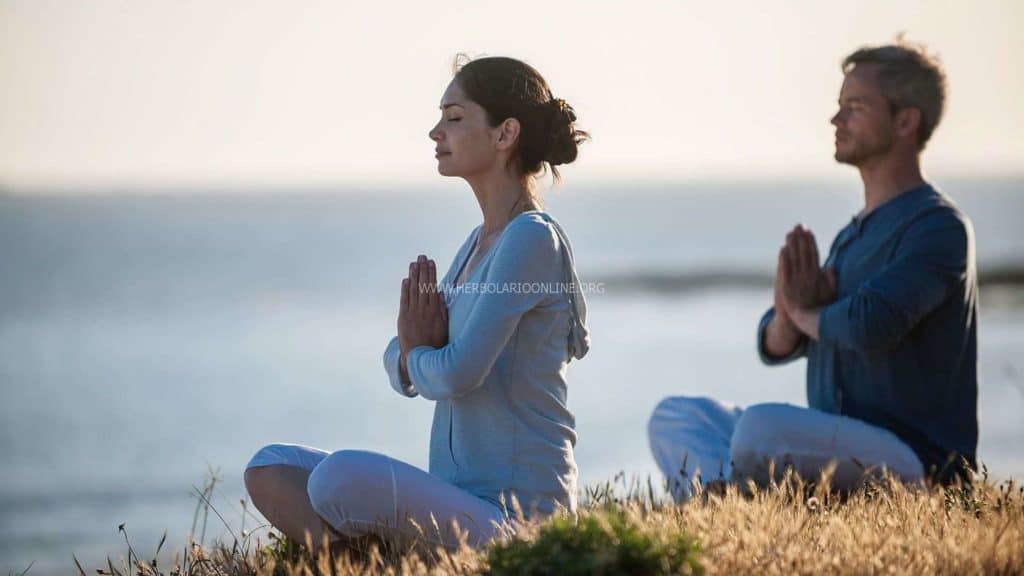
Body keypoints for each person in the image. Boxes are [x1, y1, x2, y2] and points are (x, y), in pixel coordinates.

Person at [243, 55, 591, 554]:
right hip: (460, 503)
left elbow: (455, 374)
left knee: (338, 477)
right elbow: (404, 355)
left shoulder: (532, 240)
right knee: (270, 466)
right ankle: (358, 563)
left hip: (521, 525)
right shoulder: (478, 243)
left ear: (504, 133)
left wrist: (415, 354)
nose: (435, 131)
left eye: (454, 117)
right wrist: (414, 355)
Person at [649, 41, 978, 500]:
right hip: (836, 446)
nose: (835, 120)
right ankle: (722, 503)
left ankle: (735, 500)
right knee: (676, 417)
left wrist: (804, 314)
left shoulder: (937, 227)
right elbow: (777, 341)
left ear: (905, 121)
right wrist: (788, 320)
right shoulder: (853, 235)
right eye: (839, 106)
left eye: (854, 107)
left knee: (761, 427)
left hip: (915, 462)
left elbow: (868, 325)